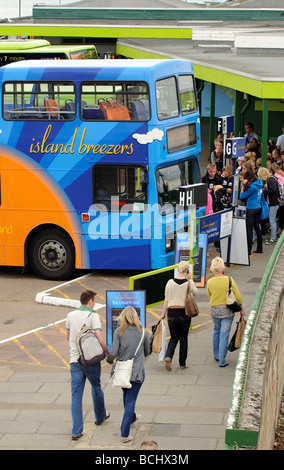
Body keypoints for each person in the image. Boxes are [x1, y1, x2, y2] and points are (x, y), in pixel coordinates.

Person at [66, 290, 110, 440]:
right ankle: (100, 416)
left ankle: (76, 431)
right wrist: (107, 352)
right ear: (90, 301)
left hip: (75, 360)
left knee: (76, 395)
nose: (95, 303)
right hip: (90, 360)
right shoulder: (93, 316)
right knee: (96, 386)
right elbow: (99, 338)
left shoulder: (70, 316)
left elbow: (68, 337)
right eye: (94, 300)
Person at [107, 306, 150, 443]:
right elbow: (147, 352)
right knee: (130, 400)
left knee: (127, 398)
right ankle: (125, 432)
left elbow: (113, 352)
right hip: (137, 373)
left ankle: (129, 423)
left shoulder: (119, 332)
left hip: (122, 372)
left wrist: (109, 360)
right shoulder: (143, 332)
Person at [207, 257, 245, 368]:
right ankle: (222, 360)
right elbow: (237, 296)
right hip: (227, 310)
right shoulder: (229, 279)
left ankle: (217, 355)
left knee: (216, 331)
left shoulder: (209, 282)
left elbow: (210, 295)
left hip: (215, 310)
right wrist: (241, 309)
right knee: (224, 334)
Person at [160, 261, 198, 371]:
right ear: (187, 271)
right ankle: (182, 364)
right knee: (183, 338)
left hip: (171, 313)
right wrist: (190, 279)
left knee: (173, 337)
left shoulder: (169, 283)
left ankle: (168, 356)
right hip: (184, 313)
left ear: (177, 270)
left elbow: (166, 300)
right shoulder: (189, 283)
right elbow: (196, 292)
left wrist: (163, 314)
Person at [239, 169, 263, 255]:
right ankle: (260, 248)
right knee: (257, 227)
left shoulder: (252, 187)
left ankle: (248, 250)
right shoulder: (259, 183)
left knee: (249, 229)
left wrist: (243, 185)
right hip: (258, 207)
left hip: (251, 208)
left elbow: (242, 196)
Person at [263, 163, 280, 245]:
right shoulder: (274, 178)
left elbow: (273, 190)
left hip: (273, 202)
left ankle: (273, 238)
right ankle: (273, 236)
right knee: (273, 220)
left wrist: (265, 191)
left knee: (272, 220)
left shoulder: (270, 179)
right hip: (275, 202)